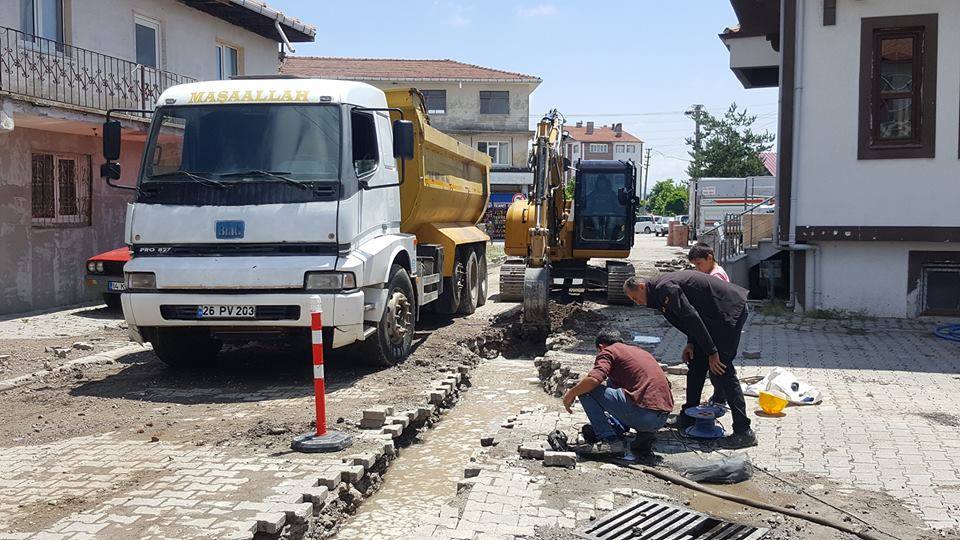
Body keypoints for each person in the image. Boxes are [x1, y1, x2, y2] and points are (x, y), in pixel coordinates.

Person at [622, 271, 757, 449]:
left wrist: (712, 352)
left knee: (722, 369)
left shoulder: (664, 288)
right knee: (695, 363)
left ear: (641, 287)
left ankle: (743, 430)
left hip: (728, 311)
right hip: (711, 318)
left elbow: (690, 315)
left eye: (635, 298)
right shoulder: (658, 292)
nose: (637, 303)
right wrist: (692, 343)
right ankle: (688, 416)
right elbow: (690, 315)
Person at [562, 328, 673, 458]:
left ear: (601, 346)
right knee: (612, 383)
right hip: (661, 418)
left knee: (586, 390)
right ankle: (628, 429)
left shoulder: (608, 351)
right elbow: (667, 384)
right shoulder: (640, 352)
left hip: (643, 414)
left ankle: (609, 440)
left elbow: (594, 379)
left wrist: (571, 394)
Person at [687, 242, 729, 406]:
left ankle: (720, 398)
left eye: (699, 264)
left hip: (717, 329)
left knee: (717, 367)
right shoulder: (714, 273)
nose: (698, 268)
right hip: (716, 328)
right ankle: (719, 397)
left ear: (709, 258)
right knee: (715, 369)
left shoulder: (715, 277)